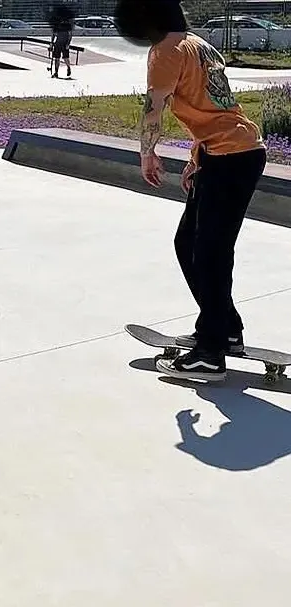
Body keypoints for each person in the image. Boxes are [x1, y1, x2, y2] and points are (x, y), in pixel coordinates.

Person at [116, 0, 266, 381]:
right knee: (189, 243)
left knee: (210, 252)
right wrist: (197, 157)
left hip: (232, 157)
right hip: (231, 152)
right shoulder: (198, 45)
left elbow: (154, 108)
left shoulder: (164, 51)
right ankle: (224, 328)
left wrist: (147, 153)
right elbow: (215, 107)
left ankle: (210, 353)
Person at [48, 3, 74, 79]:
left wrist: (68, 44)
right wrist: (51, 43)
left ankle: (68, 67)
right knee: (57, 58)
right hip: (57, 43)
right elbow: (53, 34)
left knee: (65, 58)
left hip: (64, 43)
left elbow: (70, 35)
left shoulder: (67, 24)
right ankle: (56, 72)